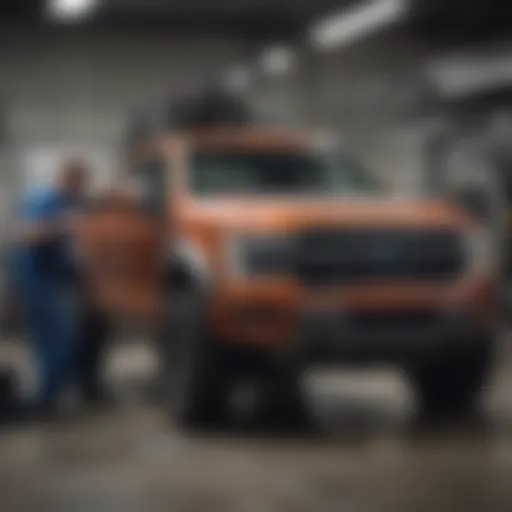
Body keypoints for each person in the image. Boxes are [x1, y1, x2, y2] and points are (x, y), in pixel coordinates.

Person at [13, 158, 90, 416]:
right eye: (81, 183)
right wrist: (61, 227)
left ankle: (49, 396)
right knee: (59, 340)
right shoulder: (44, 200)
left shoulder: (67, 203)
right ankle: (45, 400)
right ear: (69, 179)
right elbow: (26, 234)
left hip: (54, 281)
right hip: (38, 282)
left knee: (54, 341)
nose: (83, 189)